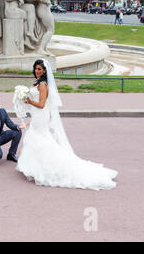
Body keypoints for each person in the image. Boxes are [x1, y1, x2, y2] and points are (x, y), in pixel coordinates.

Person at [15, 59, 118, 190]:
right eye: (35, 68)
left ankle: (50, 167)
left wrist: (29, 101)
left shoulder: (42, 84)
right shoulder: (38, 82)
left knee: (39, 140)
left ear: (45, 70)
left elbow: (41, 104)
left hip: (41, 116)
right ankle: (37, 167)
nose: (37, 71)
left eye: (39, 69)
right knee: (38, 139)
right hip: (38, 115)